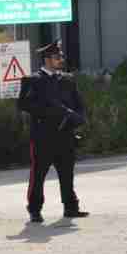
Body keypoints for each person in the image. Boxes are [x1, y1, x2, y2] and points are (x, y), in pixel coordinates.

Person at [17, 40, 89, 223]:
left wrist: (77, 117)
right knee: (38, 176)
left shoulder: (67, 80)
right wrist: (48, 111)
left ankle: (71, 207)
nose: (61, 60)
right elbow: (23, 104)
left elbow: (78, 104)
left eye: (61, 56)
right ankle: (35, 209)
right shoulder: (33, 81)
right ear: (47, 60)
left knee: (67, 174)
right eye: (57, 57)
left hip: (65, 135)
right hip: (43, 137)